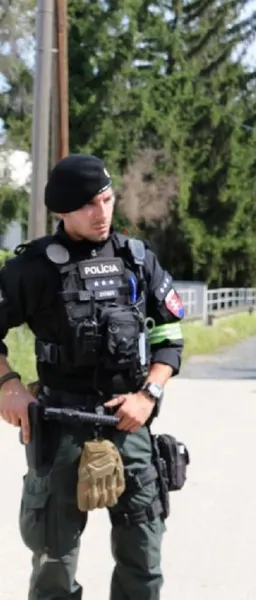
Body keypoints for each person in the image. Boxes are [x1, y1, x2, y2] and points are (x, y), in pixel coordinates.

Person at [0, 153, 186, 600]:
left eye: (106, 199)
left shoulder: (136, 260)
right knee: (54, 563)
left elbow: (170, 336)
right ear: (62, 211)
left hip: (129, 421)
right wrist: (7, 385)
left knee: (143, 557)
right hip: (59, 424)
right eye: (88, 205)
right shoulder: (34, 268)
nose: (101, 213)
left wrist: (150, 393)